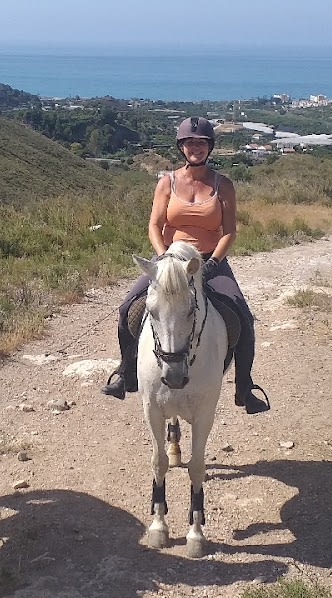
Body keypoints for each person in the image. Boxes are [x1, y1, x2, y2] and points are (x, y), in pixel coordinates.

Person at [101, 117, 271, 414]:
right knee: (129, 307)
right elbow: (155, 225)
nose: (195, 148)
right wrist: (163, 256)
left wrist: (215, 261)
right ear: (182, 147)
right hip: (169, 260)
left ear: (209, 147)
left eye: (201, 143)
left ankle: (245, 387)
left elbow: (229, 231)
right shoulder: (166, 183)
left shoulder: (223, 186)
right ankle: (125, 372)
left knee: (242, 317)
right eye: (190, 143)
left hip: (209, 261)